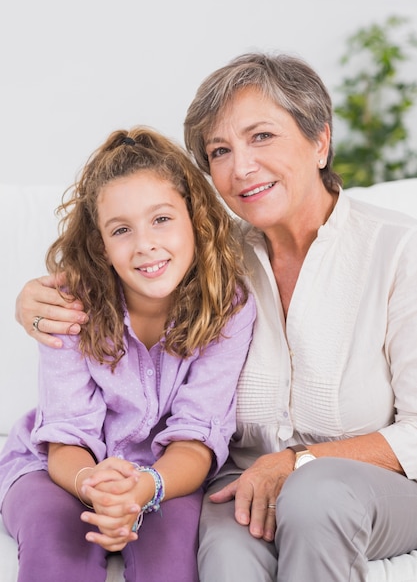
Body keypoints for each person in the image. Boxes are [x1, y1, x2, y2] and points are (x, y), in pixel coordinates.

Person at [14, 53, 417, 582]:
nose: (241, 167)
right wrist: (32, 298)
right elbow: (123, 260)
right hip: (243, 480)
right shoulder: (212, 259)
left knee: (315, 498)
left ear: (320, 141)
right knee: (226, 556)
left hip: (374, 483)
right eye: (220, 150)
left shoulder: (399, 249)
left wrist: (298, 462)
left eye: (262, 137)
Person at [0, 126, 256, 582]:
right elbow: (66, 436)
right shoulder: (69, 304)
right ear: (101, 244)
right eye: (121, 230)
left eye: (161, 219)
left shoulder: (227, 305)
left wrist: (142, 488)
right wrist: (93, 487)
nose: (144, 245)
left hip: (166, 475)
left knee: (171, 561)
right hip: (60, 469)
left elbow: (196, 435)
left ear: (193, 218)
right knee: (56, 543)